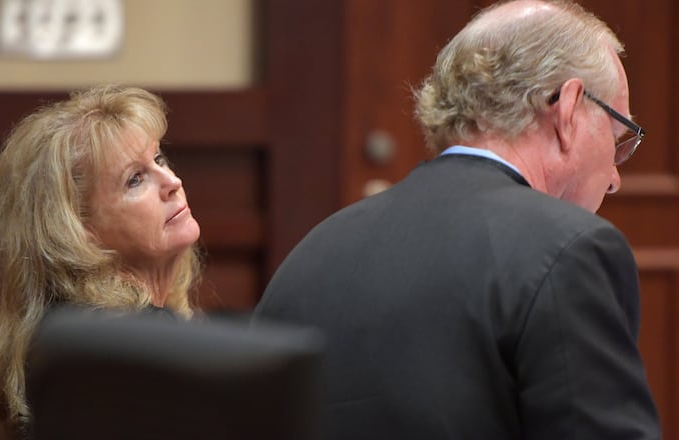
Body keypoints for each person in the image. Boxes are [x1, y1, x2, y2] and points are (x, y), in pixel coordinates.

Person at [252, 1, 661, 438]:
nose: (616, 178)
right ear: (566, 106)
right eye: (619, 137)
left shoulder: (308, 256)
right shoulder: (570, 249)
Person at [0, 84, 202, 439]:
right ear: (76, 231)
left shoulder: (60, 337)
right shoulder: (132, 347)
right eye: (135, 179)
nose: (173, 181)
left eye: (158, 159)